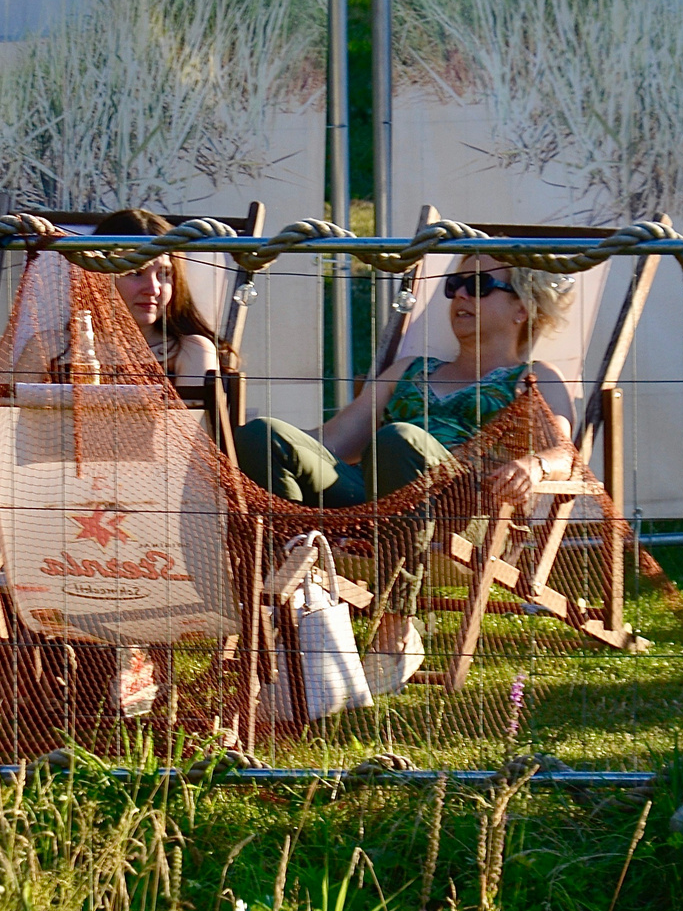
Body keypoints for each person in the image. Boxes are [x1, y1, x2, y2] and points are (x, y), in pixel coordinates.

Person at [236, 254, 581, 686]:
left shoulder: (532, 379)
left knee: (399, 439)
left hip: (462, 518)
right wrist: (231, 439)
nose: (458, 295)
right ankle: (287, 608)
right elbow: (333, 442)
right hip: (375, 506)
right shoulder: (409, 370)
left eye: (478, 285)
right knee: (260, 435)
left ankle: (395, 626)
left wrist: (534, 464)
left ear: (523, 306)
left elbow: (565, 452)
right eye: (453, 284)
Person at [12, 208, 221, 388]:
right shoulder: (50, 348)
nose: (153, 289)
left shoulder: (189, 351)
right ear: (100, 276)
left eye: (164, 274)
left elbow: (193, 433)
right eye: (136, 272)